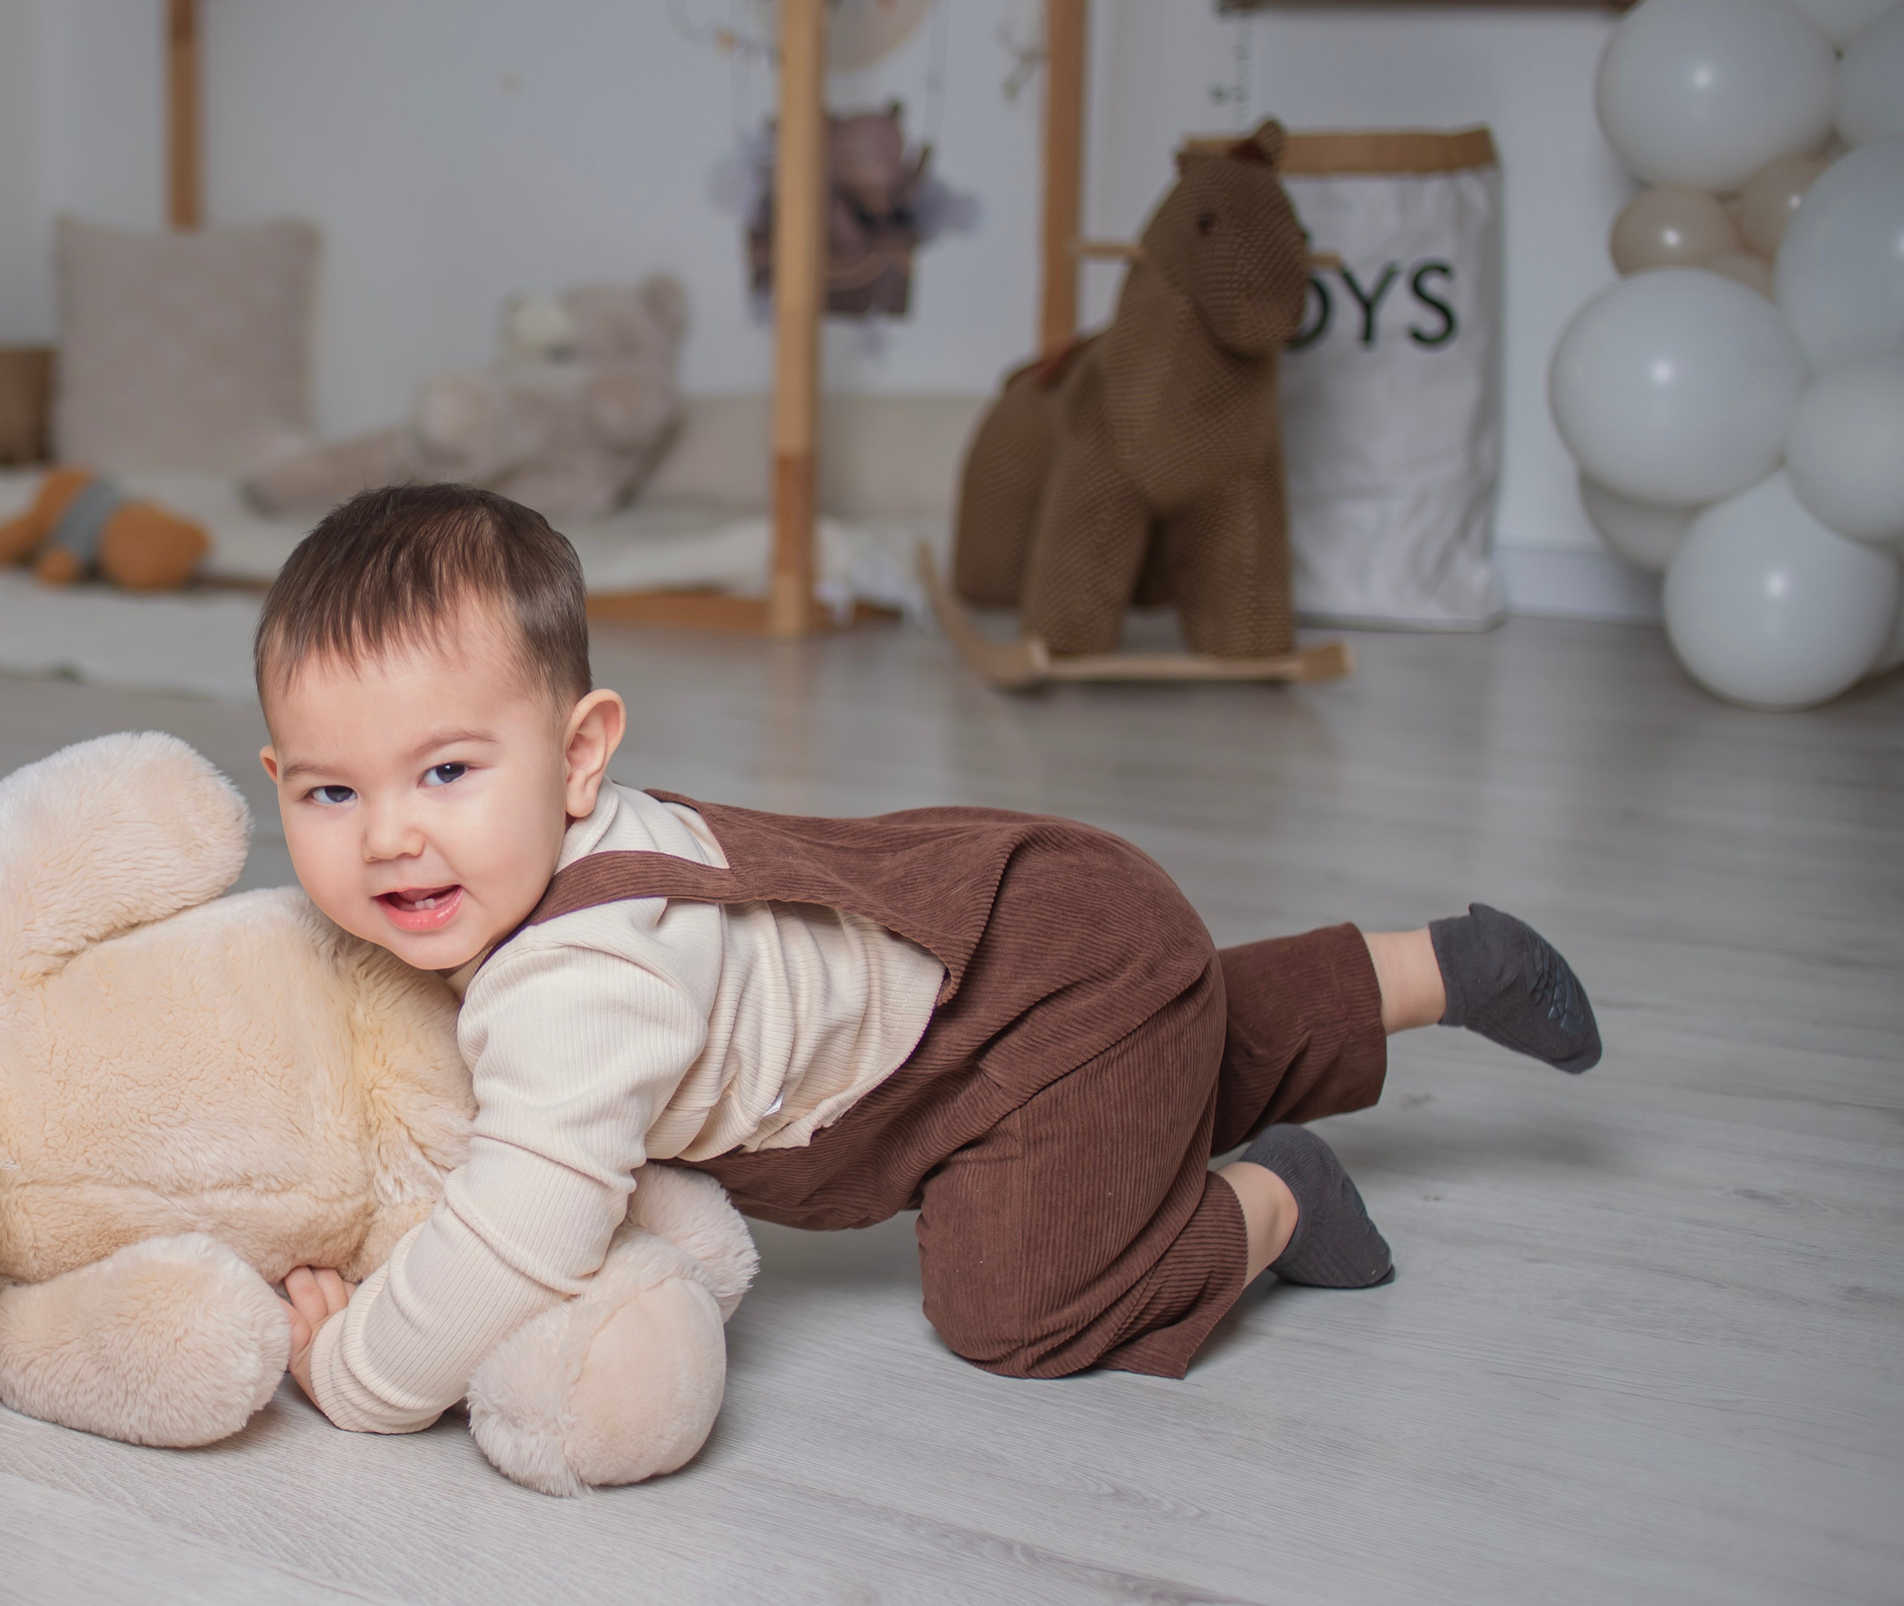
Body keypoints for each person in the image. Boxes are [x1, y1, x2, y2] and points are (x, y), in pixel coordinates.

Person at [253, 485, 1601, 1433]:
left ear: (580, 754)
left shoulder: (583, 979)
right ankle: (1425, 968)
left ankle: (1278, 1202)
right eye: (328, 796)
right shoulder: (562, 851)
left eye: (443, 770)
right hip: (1048, 931)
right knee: (1161, 1031)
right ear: (275, 779)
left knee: (1016, 1303)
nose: (390, 840)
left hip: (1016, 1023)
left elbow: (523, 1227)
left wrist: (359, 1373)